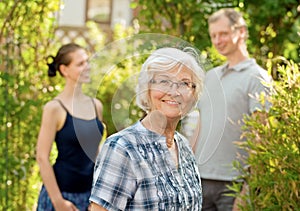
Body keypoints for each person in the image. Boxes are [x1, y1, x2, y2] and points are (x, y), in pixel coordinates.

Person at [89, 47, 205, 210]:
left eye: (184, 83)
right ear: (147, 88)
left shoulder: (184, 146)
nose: (174, 91)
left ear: (193, 94)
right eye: (164, 81)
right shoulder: (122, 148)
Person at [185, 8, 272, 210]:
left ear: (240, 31)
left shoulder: (257, 77)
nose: (217, 40)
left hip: (234, 184)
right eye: (213, 35)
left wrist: (249, 188)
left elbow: (262, 136)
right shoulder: (211, 76)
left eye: (223, 33)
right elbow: (202, 123)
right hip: (200, 179)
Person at [36, 43, 105, 211]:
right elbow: (42, 157)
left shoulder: (96, 105)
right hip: (62, 196)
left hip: (89, 196)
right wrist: (58, 202)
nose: (87, 67)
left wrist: (98, 196)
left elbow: (95, 154)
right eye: (80, 63)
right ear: (64, 70)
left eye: (87, 62)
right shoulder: (54, 108)